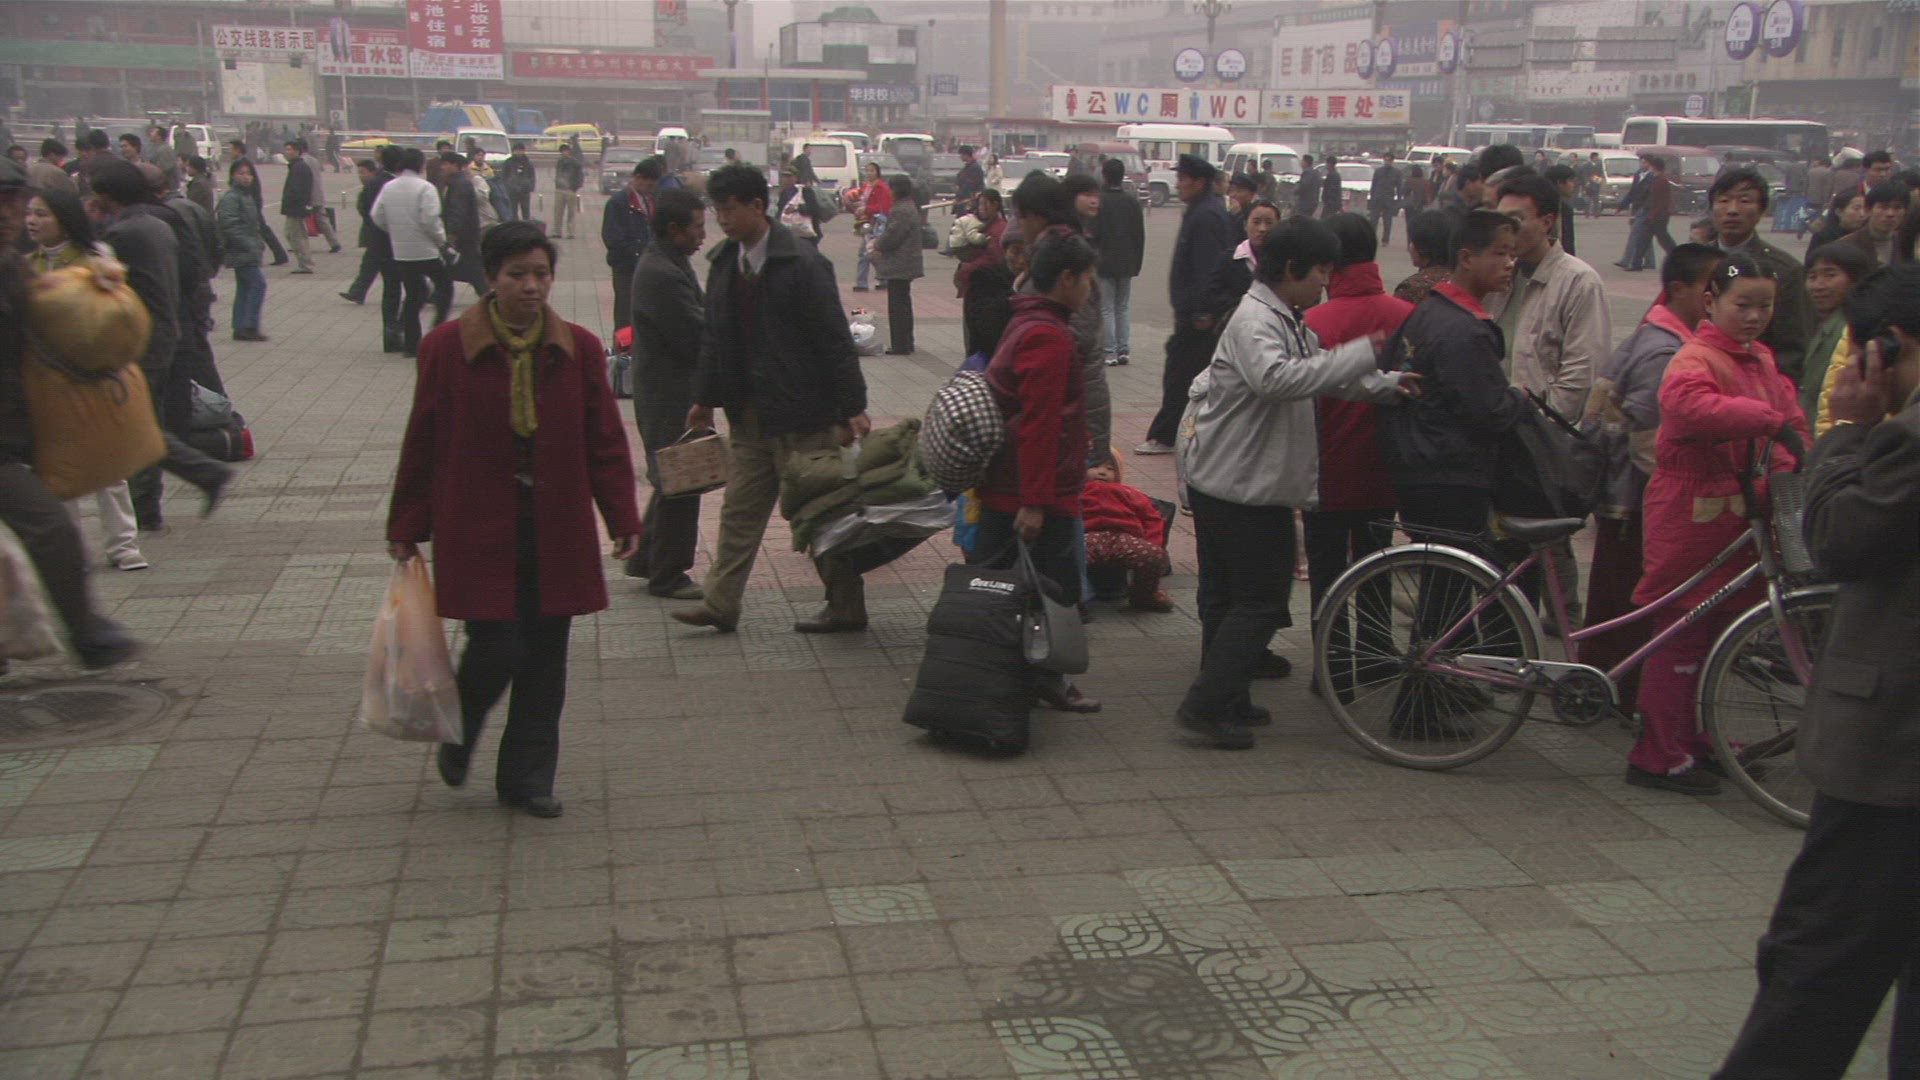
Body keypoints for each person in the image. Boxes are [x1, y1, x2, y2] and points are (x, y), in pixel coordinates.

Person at [1712, 264, 1920, 1080]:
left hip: (1893, 753)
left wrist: (1848, 431)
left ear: (1886, 348)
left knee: (1819, 956)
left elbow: (1834, 539)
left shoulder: (1905, 440)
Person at [389, 223, 640, 820]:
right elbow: (423, 438)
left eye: (541, 274)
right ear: (491, 278)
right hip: (476, 523)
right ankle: (462, 727)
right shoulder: (446, 348)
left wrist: (622, 515)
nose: (531, 286)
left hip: (556, 524)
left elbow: (604, 440)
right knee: (497, 645)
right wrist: (406, 524)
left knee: (547, 658)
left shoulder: (578, 347)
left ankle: (526, 779)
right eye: (517, 274)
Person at [1176, 216, 1415, 749]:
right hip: (1240, 488)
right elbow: (1278, 379)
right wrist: (1362, 351)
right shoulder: (1255, 320)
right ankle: (1207, 704)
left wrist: (1387, 384)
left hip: (1239, 482)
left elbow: (1317, 370)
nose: (1326, 282)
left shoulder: (1283, 317)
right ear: (1291, 268)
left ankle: (1227, 697)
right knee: (1258, 600)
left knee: (1234, 599)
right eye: (1320, 271)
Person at [1628, 253, 1807, 795]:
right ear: (1711, 302)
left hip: (1740, 513)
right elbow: (1688, 406)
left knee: (1719, 634)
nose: (1754, 316)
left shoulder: (1760, 360)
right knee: (1681, 632)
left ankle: (1698, 737)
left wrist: (1792, 459)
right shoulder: (1696, 357)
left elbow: (1791, 422)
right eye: (1742, 305)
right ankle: (1659, 754)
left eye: (1765, 306)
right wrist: (1770, 424)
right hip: (1691, 511)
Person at [671, 164, 871, 635]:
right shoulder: (725, 263)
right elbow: (714, 338)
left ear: (757, 206)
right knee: (739, 513)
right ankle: (721, 603)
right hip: (749, 417)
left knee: (818, 514)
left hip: (804, 415)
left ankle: (846, 605)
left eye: (729, 209)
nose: (722, 219)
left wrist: (852, 408)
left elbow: (834, 339)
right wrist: (704, 399)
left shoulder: (802, 263)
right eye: (717, 210)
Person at [0, 159, 141, 667]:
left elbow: (46, 331)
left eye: (15, 201)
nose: (11, 214)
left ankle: (82, 632)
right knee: (49, 527)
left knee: (49, 528)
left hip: (14, 433)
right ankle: (86, 633)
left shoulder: (14, 266)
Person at [1579, 243, 1723, 714]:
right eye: (1709, 288)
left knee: (1615, 596)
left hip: (1624, 495)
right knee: (1630, 601)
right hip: (1636, 500)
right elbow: (1648, 443)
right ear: (1679, 289)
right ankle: (1619, 693)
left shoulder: (1657, 334)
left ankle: (1600, 687)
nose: (1717, 298)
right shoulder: (1666, 350)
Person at [973, 229, 1102, 714]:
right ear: (1067, 278)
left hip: (1012, 484)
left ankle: (1013, 678)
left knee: (1003, 588)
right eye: (1087, 279)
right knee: (1051, 591)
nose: (1090, 289)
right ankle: (1039, 680)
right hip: (1030, 493)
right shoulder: (1048, 336)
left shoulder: (1026, 320)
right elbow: (1040, 425)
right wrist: (1034, 502)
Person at [82, 158, 231, 528]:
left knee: (135, 425)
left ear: (107, 194)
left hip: (140, 341)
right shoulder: (157, 224)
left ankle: (191, 480)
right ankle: (156, 500)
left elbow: (98, 281)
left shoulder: (122, 233)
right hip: (166, 333)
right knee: (143, 421)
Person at [1301, 213, 1414, 668]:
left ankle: (1332, 667)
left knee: (1327, 575)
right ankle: (1376, 654)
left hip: (1325, 471)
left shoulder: (1312, 321)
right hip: (1385, 469)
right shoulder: (1406, 315)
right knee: (1376, 564)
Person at [23, 187, 149, 573]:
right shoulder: (26, 265)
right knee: (59, 471)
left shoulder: (96, 261)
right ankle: (72, 550)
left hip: (94, 378)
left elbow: (118, 314)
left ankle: (123, 544)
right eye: (30, 214)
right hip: (46, 383)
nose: (32, 221)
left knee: (109, 468)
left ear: (64, 219)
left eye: (42, 214)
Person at [622, 189, 709, 602]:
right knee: (683, 477)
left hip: (669, 386)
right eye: (697, 227)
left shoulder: (670, 261)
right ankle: (668, 574)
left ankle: (647, 557)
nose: (702, 235)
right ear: (674, 229)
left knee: (670, 475)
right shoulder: (661, 272)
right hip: (668, 391)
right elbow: (694, 333)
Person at [1140, 155, 1234, 455]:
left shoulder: (1206, 216)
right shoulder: (1200, 211)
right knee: (1187, 374)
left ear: (1200, 182)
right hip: (1193, 312)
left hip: (1199, 316)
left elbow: (1208, 268)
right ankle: (1184, 434)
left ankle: (1167, 436)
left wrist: (1204, 310)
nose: (1178, 184)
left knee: (1181, 375)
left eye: (1183, 179)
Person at [1712, 166, 1815, 385]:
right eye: (1724, 200)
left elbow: (1792, 350)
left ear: (1762, 210)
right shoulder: (1696, 262)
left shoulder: (1785, 270)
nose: (1732, 210)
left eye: (1745, 201)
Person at [370, 147, 448, 358]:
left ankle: (411, 345)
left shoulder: (389, 187)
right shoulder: (426, 188)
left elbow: (377, 215)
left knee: (414, 294)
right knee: (445, 287)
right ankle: (438, 331)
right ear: (421, 165)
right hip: (426, 250)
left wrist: (395, 230)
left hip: (401, 251)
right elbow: (430, 220)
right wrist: (441, 241)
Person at [1081, 457, 1173, 612]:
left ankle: (1143, 596)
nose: (1102, 472)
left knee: (1152, 555)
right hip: (1088, 537)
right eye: (1096, 466)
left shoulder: (1129, 492)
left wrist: (1153, 544)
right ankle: (1074, 599)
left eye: (1110, 469)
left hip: (1123, 538)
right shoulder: (1077, 492)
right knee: (1069, 559)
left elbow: (1152, 518)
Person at [1799, 243, 1874, 428]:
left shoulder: (1853, 329)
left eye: (1830, 275)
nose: (1818, 285)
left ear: (1855, 280)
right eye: (1812, 277)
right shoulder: (1822, 324)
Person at [1091, 157, 1144, 368]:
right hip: (1127, 262)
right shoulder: (1132, 202)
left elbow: (1093, 235)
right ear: (1122, 176)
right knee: (1122, 306)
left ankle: (1110, 351)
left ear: (1104, 176)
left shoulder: (1099, 202)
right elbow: (1139, 235)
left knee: (1106, 308)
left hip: (1104, 263)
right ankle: (1123, 349)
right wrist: (1137, 263)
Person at [602, 156, 660, 335]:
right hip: (626, 268)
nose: (651, 190)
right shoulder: (619, 202)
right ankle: (622, 350)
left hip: (648, 267)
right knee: (625, 315)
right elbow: (612, 238)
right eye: (649, 185)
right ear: (638, 178)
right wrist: (636, 255)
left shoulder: (651, 200)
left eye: (653, 186)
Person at [215, 158, 269, 343]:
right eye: (241, 173)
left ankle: (241, 326)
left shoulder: (246, 196)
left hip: (248, 249)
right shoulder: (232, 197)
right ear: (232, 176)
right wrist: (249, 244)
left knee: (245, 287)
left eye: (249, 174)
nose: (246, 177)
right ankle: (248, 326)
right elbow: (229, 225)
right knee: (257, 285)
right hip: (241, 250)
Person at [872, 174, 923, 355]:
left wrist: (877, 244)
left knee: (898, 305)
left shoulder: (901, 209)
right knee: (903, 303)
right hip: (906, 261)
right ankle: (906, 342)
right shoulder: (908, 205)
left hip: (901, 262)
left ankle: (901, 344)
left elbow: (893, 235)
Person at [440, 155, 487, 299]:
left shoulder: (460, 184)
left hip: (464, 233)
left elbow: (457, 210)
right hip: (467, 232)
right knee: (455, 264)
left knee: (472, 267)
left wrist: (453, 232)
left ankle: (487, 294)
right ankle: (438, 293)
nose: (443, 167)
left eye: (446, 164)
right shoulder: (457, 182)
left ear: (456, 166)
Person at [1623, 153, 1676, 272]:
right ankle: (1636, 264)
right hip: (1654, 214)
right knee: (1644, 239)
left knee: (1664, 240)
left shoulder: (1661, 181)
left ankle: (1677, 257)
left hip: (1657, 216)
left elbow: (1659, 201)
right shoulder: (1657, 179)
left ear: (1654, 167)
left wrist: (1653, 214)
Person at [1839, 182, 1909, 268]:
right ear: (1868, 210)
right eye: (1883, 207)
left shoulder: (1907, 243)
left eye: (1897, 208)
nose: (1890, 214)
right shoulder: (1845, 245)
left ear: (1905, 211)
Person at [1393, 208, 1453, 304]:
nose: (1410, 246)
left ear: (1422, 247)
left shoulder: (1411, 288)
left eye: (1412, 241)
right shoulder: (1462, 281)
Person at [852, 159, 893, 292]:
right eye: (867, 171)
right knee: (872, 253)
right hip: (866, 222)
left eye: (872, 171)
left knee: (866, 253)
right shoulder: (866, 187)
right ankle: (884, 279)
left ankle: (862, 283)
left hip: (877, 224)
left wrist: (866, 209)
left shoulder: (882, 188)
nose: (869, 173)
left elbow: (884, 208)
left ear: (878, 172)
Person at [280, 138, 320, 274]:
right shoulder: (296, 166)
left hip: (296, 209)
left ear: (297, 151)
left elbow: (298, 191)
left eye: (289, 149)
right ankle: (306, 261)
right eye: (286, 149)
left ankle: (305, 263)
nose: (286, 152)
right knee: (295, 234)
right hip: (296, 208)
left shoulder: (299, 167)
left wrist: (298, 206)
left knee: (295, 235)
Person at [774, 163, 824, 246]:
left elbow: (815, 209)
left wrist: (797, 208)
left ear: (796, 178)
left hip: (806, 235)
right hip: (789, 235)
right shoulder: (783, 194)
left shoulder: (805, 191)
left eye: (789, 177)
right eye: (784, 177)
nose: (786, 179)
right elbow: (780, 212)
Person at [1543, 163, 1580, 257]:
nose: (1574, 185)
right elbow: (1567, 243)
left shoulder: (1537, 203)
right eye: (1570, 181)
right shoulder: (1561, 209)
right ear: (1559, 183)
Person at [1368, 151, 1402, 242]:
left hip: (1389, 199)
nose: (1387, 162)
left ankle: (1385, 239)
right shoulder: (1378, 171)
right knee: (1373, 220)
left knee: (1387, 221)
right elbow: (1373, 185)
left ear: (1392, 161)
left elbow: (1399, 188)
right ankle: (1372, 238)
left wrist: (1398, 202)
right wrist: (1372, 198)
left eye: (1389, 160)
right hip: (1377, 198)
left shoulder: (1396, 172)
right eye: (1385, 160)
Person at [552, 143, 583, 239]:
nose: (563, 153)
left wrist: (575, 187)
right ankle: (557, 232)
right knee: (558, 212)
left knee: (571, 213)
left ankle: (571, 232)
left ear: (569, 151)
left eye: (565, 151)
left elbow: (580, 176)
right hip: (559, 189)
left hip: (570, 190)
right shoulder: (559, 162)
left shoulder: (575, 163)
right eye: (562, 151)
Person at [501, 143, 536, 222]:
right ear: (513, 151)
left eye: (521, 150)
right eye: (517, 150)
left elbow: (532, 176)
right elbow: (504, 176)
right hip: (512, 191)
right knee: (512, 212)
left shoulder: (528, 163)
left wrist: (530, 186)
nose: (519, 152)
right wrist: (507, 187)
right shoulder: (508, 162)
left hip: (525, 191)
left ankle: (526, 226)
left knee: (526, 212)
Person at [1226, 172, 1259, 237]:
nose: (1232, 195)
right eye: (1231, 190)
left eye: (1239, 191)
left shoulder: (1255, 215)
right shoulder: (1226, 210)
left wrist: (1237, 215)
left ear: (1251, 195)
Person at [1293, 153, 1320, 220]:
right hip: (1313, 202)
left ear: (1306, 162)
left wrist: (1295, 191)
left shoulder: (1307, 172)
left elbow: (1304, 186)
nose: (1301, 163)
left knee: (1301, 219)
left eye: (1302, 161)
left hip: (1305, 203)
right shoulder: (1315, 172)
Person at [1579, 152, 1605, 219]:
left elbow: (1601, 174)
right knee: (1588, 200)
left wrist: (1600, 180)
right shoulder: (1586, 165)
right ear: (1592, 157)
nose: (1597, 158)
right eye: (1596, 157)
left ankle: (1596, 213)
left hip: (1596, 184)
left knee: (1596, 200)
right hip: (1588, 185)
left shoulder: (1599, 165)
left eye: (1597, 157)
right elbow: (1584, 174)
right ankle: (1587, 213)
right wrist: (1586, 182)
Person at [1319, 154, 1345, 218]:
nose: (1326, 165)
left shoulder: (1332, 175)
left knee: (1324, 220)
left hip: (1331, 204)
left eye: (1326, 163)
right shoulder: (1334, 174)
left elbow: (1332, 191)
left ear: (1330, 164)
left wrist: (1329, 201)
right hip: (1331, 203)